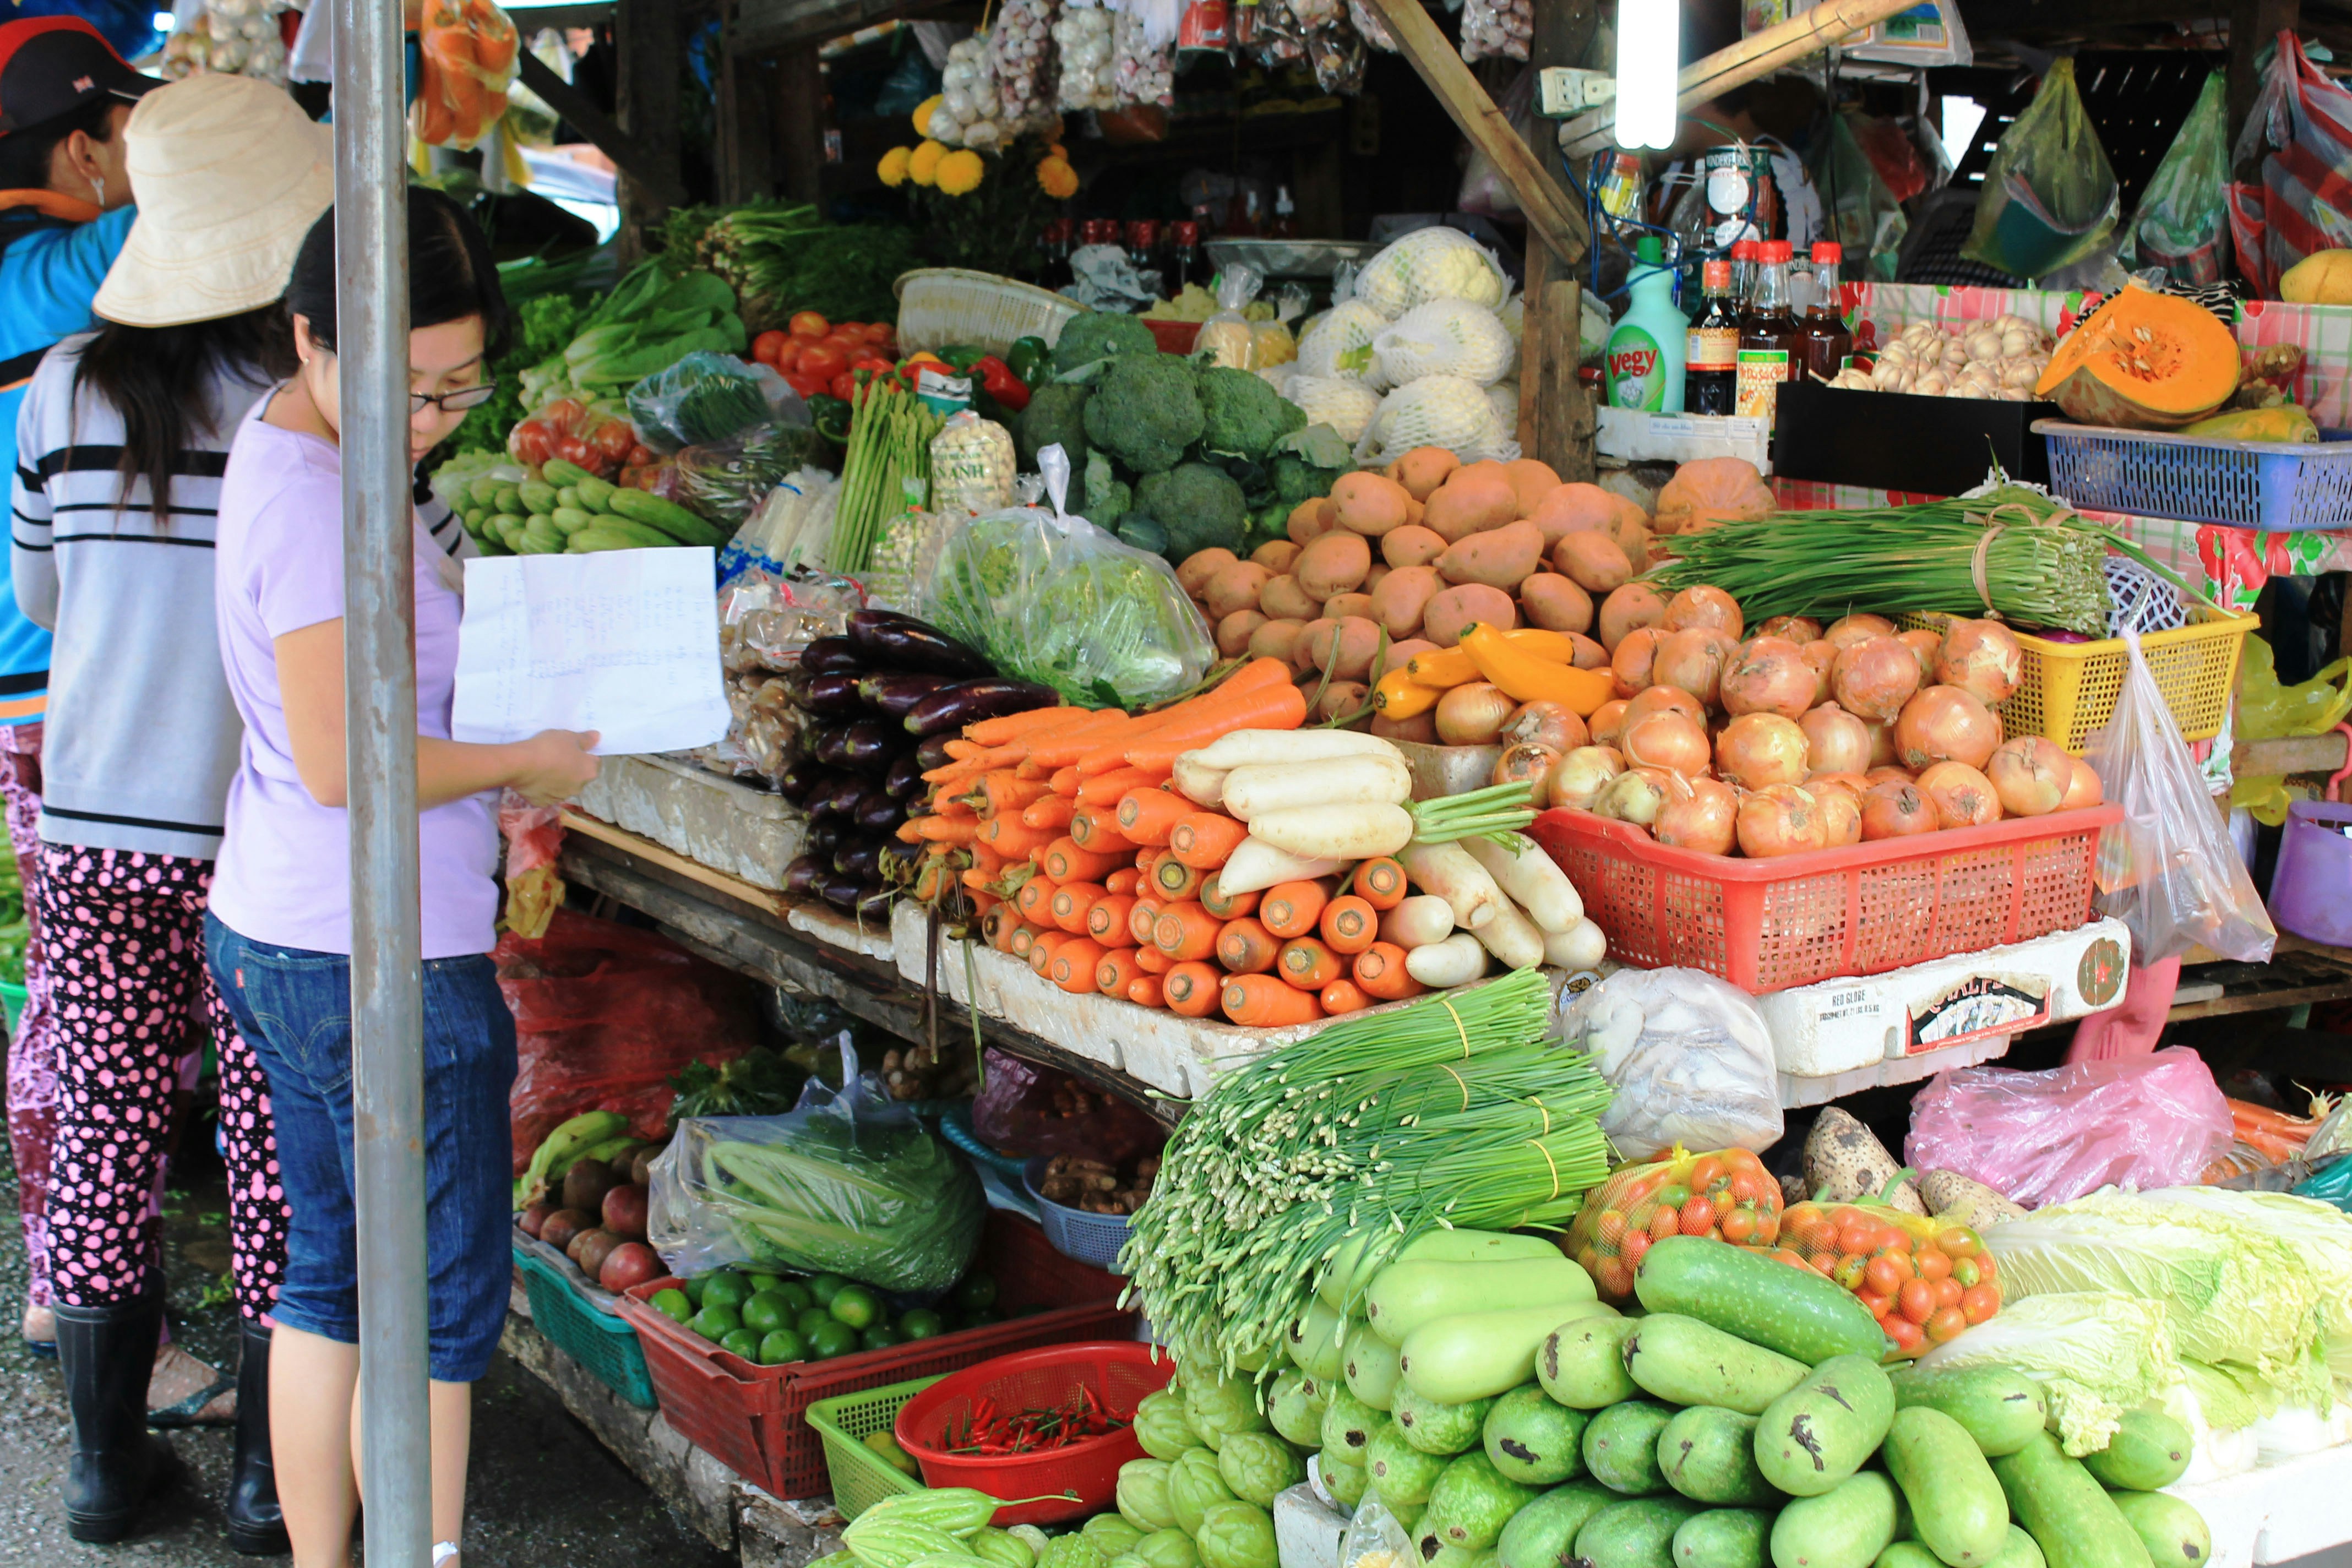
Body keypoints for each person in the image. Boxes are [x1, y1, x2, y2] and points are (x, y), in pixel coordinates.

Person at [207, 186, 600, 1568]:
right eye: (406, 391)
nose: (429, 424)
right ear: (309, 338)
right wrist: (526, 754)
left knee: (329, 1273)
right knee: (435, 1305)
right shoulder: (322, 505)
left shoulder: (293, 442)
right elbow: (342, 760)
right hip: (372, 951)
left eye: (456, 394)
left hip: (283, 927)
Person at [9, 72, 325, 1549]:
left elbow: (42, 600)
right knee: (272, 1142)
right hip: (256, 842)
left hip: (90, 829)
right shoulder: (303, 402)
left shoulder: (60, 387)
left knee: (104, 1130)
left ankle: (99, 1477)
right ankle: (273, 1483)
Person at [0, 11, 150, 1363]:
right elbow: (209, 216)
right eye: (127, 135)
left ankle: (72, 1270)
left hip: (23, 683)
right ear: (79, 142)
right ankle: (75, 1290)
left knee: (73, 989)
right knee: (83, 1002)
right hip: (43, 687)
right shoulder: (47, 271)